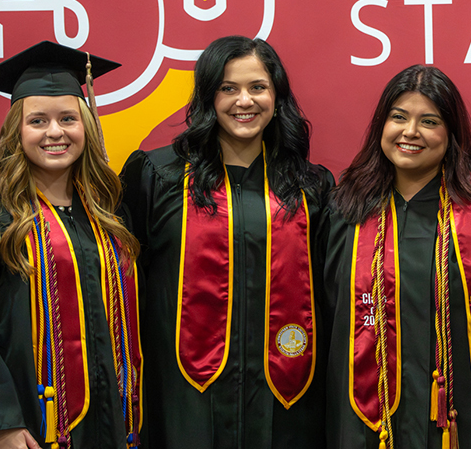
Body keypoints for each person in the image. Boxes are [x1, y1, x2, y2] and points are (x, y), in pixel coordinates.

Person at [0, 41, 142, 449]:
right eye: (38, 120)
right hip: (28, 427)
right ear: (16, 132)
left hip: (115, 424)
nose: (55, 132)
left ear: (86, 126)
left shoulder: (110, 215)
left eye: (68, 118)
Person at [119, 36, 334, 449]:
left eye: (258, 87)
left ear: (277, 96)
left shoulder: (310, 187)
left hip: (286, 402)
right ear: (208, 97)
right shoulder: (158, 176)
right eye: (228, 88)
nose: (244, 101)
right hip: (183, 400)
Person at [325, 65, 471, 449]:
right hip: (368, 419)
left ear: (451, 133)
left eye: (429, 121)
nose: (410, 131)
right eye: (399, 117)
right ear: (381, 125)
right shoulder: (344, 209)